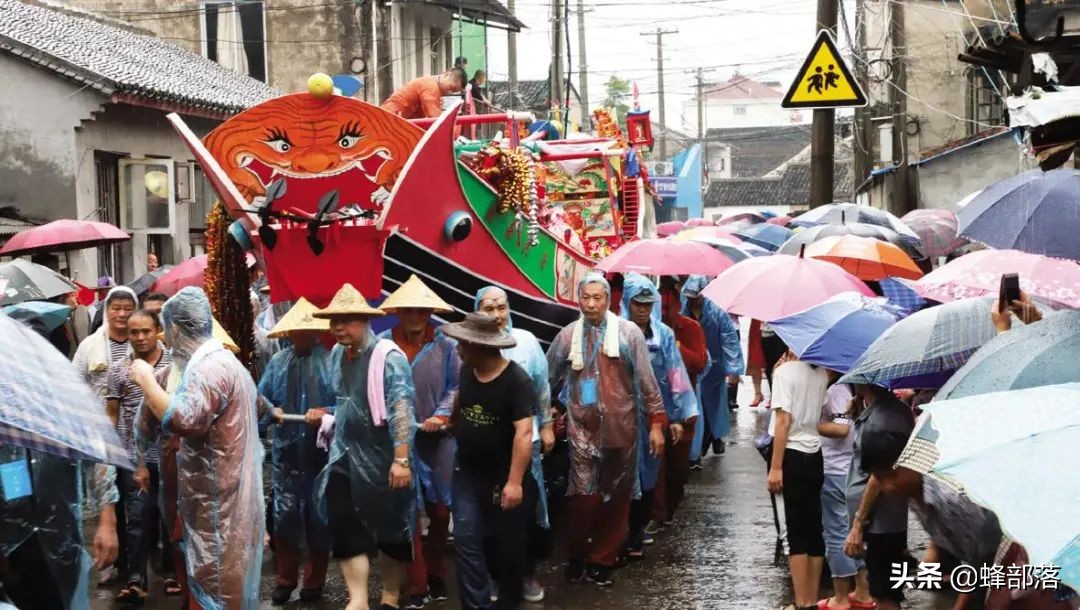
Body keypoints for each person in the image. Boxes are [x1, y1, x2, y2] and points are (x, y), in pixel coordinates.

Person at [128, 287, 265, 610]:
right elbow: (147, 425)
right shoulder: (206, 365)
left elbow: (185, 419)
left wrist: (145, 380)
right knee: (212, 580)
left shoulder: (210, 368)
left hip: (218, 500)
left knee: (216, 583)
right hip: (213, 497)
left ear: (174, 329)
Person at [546, 273, 666, 588]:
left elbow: (647, 382)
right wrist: (544, 415)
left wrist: (656, 423)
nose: (591, 304)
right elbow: (547, 378)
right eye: (586, 298)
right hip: (581, 429)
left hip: (622, 428)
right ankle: (576, 554)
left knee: (616, 498)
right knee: (582, 496)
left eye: (598, 298)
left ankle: (603, 558)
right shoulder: (568, 335)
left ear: (608, 301)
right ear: (579, 300)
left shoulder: (628, 335)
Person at [0, 315, 119, 610]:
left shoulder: (68, 399)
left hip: (61, 530)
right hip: (9, 538)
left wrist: (108, 521)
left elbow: (99, 457)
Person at [312, 283, 417, 610]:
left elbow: (401, 407)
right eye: (334, 321)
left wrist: (401, 459)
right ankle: (357, 599)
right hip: (344, 453)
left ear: (366, 321)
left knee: (391, 530)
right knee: (343, 521)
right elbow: (344, 400)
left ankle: (390, 594)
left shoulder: (389, 358)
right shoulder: (334, 355)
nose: (339, 328)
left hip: (384, 456)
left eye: (348, 320)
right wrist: (326, 414)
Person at [440, 313, 536, 610]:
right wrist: (451, 423)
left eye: (462, 345)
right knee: (466, 542)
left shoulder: (516, 381)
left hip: (503, 477)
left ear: (479, 346)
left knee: (506, 550)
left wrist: (514, 482)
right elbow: (463, 405)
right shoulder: (468, 372)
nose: (457, 349)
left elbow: (524, 433)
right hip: (467, 474)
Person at [377, 275, 460, 610]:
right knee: (405, 511)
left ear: (429, 313)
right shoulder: (383, 344)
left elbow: (455, 386)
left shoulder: (446, 345)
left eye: (420, 311)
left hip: (437, 438)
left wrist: (440, 416)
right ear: (398, 311)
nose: (414, 316)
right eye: (408, 310)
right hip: (397, 441)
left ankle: (437, 567)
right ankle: (418, 583)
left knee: (441, 512)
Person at [474, 286, 554, 603]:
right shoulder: (471, 345)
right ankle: (496, 577)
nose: (496, 314)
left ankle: (526, 574)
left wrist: (546, 426)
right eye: (489, 307)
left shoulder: (528, 342)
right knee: (489, 513)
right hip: (487, 446)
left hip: (526, 441)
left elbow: (542, 388)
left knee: (526, 510)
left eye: (502, 307)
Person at [258, 298, 337, 605]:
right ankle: (285, 579)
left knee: (320, 516)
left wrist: (325, 411)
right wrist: (271, 410)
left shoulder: (330, 361)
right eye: (297, 330)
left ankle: (315, 580)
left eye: (307, 329)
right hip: (287, 454)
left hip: (321, 453)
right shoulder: (278, 363)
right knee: (285, 517)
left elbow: (346, 405)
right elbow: (260, 400)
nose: (301, 335)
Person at [619, 275, 697, 558]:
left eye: (647, 303)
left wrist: (676, 416)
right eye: (637, 303)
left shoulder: (662, 334)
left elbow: (675, 376)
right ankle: (622, 532)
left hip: (654, 414)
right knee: (621, 474)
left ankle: (638, 529)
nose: (642, 309)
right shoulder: (614, 331)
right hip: (620, 415)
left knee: (649, 470)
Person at [105, 308, 174, 605]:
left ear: (157, 330)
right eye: (134, 332)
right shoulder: (119, 370)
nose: (140, 337)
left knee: (171, 516)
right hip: (135, 457)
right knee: (138, 518)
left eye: (146, 331)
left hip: (171, 455)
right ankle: (136, 580)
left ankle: (173, 573)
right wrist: (114, 452)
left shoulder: (173, 364)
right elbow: (112, 414)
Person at [73, 285, 135, 585]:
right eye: (116, 307)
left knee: (137, 504)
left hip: (137, 436)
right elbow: (75, 385)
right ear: (106, 310)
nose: (122, 314)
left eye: (127, 308)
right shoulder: (89, 346)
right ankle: (114, 564)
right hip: (100, 435)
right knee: (109, 502)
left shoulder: (143, 340)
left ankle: (135, 568)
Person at [842, 383, 915, 610]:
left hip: (880, 521)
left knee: (884, 593)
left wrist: (858, 523)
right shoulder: (889, 410)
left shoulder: (880, 421)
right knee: (886, 589)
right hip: (888, 517)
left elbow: (879, 474)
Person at [766, 350, 830, 610]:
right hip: (814, 455)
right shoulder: (821, 374)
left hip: (790, 454)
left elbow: (783, 421)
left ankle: (802, 602)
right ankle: (810, 599)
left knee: (793, 531)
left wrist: (775, 467)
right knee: (814, 529)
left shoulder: (784, 373)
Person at [652, 278, 707, 528]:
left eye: (669, 307)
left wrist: (676, 347)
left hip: (682, 409)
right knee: (655, 467)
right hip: (653, 411)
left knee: (677, 470)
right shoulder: (643, 332)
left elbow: (699, 363)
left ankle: (669, 507)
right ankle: (656, 515)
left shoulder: (691, 328)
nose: (665, 313)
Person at [815, 377, 873, 610]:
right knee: (854, 532)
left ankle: (840, 598)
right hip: (851, 469)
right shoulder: (853, 390)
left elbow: (841, 429)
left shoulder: (838, 389)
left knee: (836, 532)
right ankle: (862, 593)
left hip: (836, 470)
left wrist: (807, 422)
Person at [680, 275, 744, 462]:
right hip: (693, 368)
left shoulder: (717, 314)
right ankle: (697, 448)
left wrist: (733, 369)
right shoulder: (682, 313)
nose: (693, 299)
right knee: (695, 408)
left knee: (713, 409)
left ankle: (712, 439)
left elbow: (730, 341)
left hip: (714, 369)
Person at [381, 69, 468, 119]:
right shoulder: (431, 87)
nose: (449, 92)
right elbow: (434, 117)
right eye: (451, 87)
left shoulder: (434, 87)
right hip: (391, 116)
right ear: (447, 75)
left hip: (398, 118)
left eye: (453, 91)